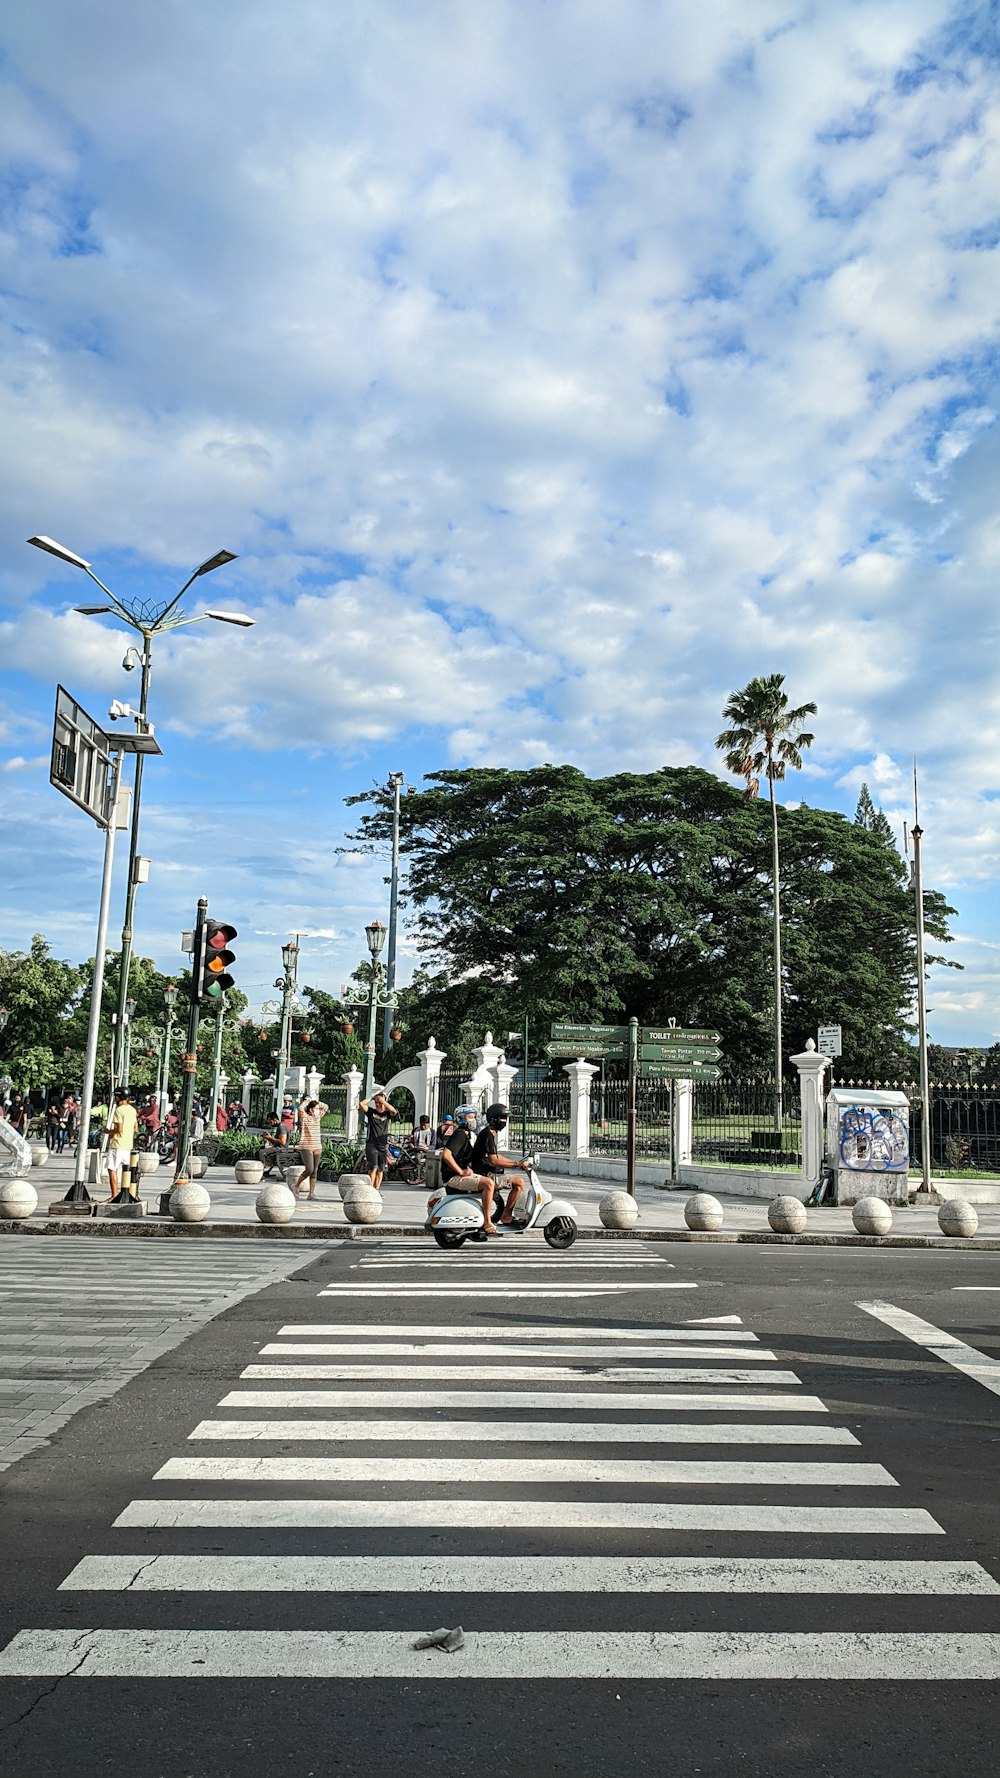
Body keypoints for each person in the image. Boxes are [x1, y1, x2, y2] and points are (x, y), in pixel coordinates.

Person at [439, 1105, 505, 1235]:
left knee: (487, 1181)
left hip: (458, 1175)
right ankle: (487, 1222)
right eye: (471, 1117)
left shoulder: (466, 1135)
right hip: (453, 1177)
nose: (474, 1120)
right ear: (462, 1119)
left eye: (474, 1117)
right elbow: (446, 1155)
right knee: (488, 1184)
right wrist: (461, 1172)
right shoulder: (460, 1135)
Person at [472, 1103, 527, 1228]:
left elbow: (496, 1156)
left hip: (485, 1172)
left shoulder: (488, 1134)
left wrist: (517, 1163)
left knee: (515, 1180)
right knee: (520, 1183)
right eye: (503, 1118)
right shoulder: (487, 1135)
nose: (505, 1121)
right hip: (485, 1175)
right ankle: (506, 1216)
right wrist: (516, 1164)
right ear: (494, 1118)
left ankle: (505, 1214)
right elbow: (493, 1161)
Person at [358, 1087, 398, 1190]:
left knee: (380, 1169)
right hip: (372, 1144)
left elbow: (394, 1111)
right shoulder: (371, 1112)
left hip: (382, 1145)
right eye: (376, 1103)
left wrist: (383, 1101)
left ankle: (377, 1190)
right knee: (373, 1168)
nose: (378, 1105)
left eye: (380, 1103)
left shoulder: (386, 1114)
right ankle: (370, 1189)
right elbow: (361, 1105)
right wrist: (372, 1098)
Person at [105, 1089, 139, 1202]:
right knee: (127, 1170)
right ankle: (129, 1193)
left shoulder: (119, 1110)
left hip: (117, 1144)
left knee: (112, 1168)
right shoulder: (132, 1110)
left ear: (118, 1097)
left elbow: (118, 1130)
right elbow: (135, 1128)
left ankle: (114, 1194)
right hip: (128, 1144)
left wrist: (107, 1131)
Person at [294, 1097, 328, 1200]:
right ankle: (296, 1186)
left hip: (317, 1146)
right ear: (310, 1109)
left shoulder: (317, 1118)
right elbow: (300, 1108)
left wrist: (316, 1101)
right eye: (316, 1108)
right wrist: (307, 1101)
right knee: (309, 1169)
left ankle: (311, 1193)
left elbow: (326, 1107)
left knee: (315, 1171)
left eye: (318, 1108)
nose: (318, 1110)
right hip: (306, 1146)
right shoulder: (305, 1117)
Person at [259, 1112, 289, 1176]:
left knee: (261, 1152)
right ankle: (264, 1171)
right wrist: (269, 1138)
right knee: (261, 1148)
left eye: (270, 1122)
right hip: (279, 1148)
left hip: (282, 1149)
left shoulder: (281, 1127)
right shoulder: (279, 1127)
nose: (270, 1124)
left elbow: (282, 1142)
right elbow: (276, 1142)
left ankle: (260, 1172)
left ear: (275, 1120)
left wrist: (270, 1138)